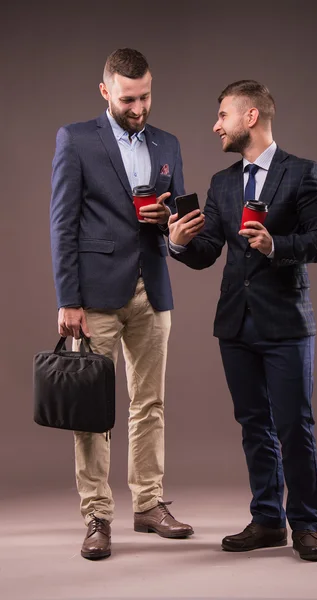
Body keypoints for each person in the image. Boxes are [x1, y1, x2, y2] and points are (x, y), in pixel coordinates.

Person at [168, 80, 317, 562]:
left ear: (251, 117)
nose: (215, 124)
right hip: (235, 327)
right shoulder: (224, 183)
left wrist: (276, 246)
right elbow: (207, 254)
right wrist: (178, 241)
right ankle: (268, 519)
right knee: (253, 425)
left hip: (286, 323)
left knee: (294, 427)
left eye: (222, 114)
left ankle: (305, 524)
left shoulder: (303, 172)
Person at [50, 48, 193, 561]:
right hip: (94, 297)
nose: (139, 108)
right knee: (92, 411)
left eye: (146, 96)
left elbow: (179, 222)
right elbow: (62, 223)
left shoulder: (168, 143)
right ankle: (97, 515)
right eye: (129, 99)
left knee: (149, 402)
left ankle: (149, 504)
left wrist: (170, 226)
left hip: (153, 289)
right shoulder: (76, 139)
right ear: (105, 91)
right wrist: (68, 298)